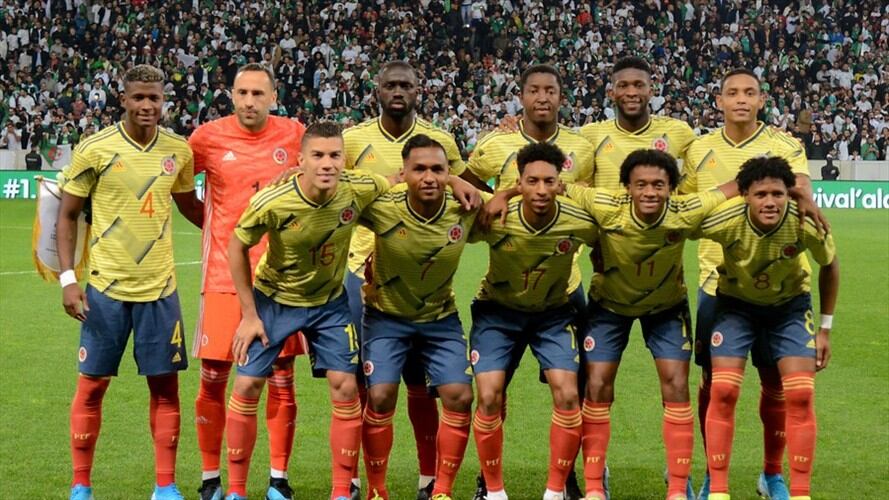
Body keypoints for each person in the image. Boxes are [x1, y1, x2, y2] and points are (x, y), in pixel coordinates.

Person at [223, 122, 478, 500]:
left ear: (345, 159)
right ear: (301, 160)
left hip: (329, 303)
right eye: (317, 156)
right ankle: (237, 491)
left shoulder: (359, 188)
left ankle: (342, 491)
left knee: (345, 388)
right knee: (245, 384)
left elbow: (399, 178)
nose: (326, 164)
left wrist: (455, 181)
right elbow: (236, 246)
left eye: (334, 155)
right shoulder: (273, 201)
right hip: (274, 300)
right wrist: (248, 313)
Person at [56, 64, 204, 500]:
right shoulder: (95, 149)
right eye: (138, 97)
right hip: (104, 289)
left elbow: (190, 207)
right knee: (92, 385)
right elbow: (66, 215)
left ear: (164, 101)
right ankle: (81, 485)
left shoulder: (177, 149)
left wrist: (239, 233)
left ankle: (165, 486)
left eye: (154, 98)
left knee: (164, 386)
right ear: (122, 99)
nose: (146, 105)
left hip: (160, 289)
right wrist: (68, 279)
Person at [679, 68, 825, 500]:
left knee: (777, 385)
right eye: (732, 93)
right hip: (717, 284)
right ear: (719, 101)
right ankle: (713, 475)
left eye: (750, 93)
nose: (741, 99)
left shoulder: (784, 145)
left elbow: (800, 191)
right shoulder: (699, 148)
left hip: (781, 282)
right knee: (715, 386)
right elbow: (687, 203)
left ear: (761, 100)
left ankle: (772, 473)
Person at [563, 149, 739, 500]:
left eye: (659, 184)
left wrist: (798, 194)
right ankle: (595, 487)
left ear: (672, 188)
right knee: (597, 386)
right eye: (640, 184)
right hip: (609, 307)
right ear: (626, 186)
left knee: (676, 385)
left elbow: (733, 187)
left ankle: (676, 489)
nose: (649, 192)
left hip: (666, 307)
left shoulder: (684, 211)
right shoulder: (605, 204)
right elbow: (562, 186)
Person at [464, 62, 594, 500]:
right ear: (520, 96)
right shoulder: (495, 143)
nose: (542, 97)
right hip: (503, 290)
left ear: (561, 97)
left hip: (564, 289)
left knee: (572, 390)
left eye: (550, 90)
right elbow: (465, 188)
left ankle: (570, 480)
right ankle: (490, 483)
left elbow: (595, 202)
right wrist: (499, 193)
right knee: (493, 391)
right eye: (534, 90)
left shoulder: (583, 146)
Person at [342, 60, 467, 500]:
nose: (398, 91)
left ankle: (428, 479)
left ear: (420, 90)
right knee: (364, 386)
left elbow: (460, 194)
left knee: (421, 386)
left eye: (406, 85)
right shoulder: (354, 138)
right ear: (377, 89)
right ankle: (357, 478)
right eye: (391, 84)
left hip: (422, 276)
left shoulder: (441, 142)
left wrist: (461, 180)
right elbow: (338, 190)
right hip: (361, 275)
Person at [188, 62, 307, 500]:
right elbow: (181, 186)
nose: (250, 101)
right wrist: (213, 228)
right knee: (214, 375)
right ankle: (210, 478)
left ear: (273, 97)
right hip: (222, 275)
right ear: (231, 96)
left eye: (259, 94)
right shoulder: (207, 137)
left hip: (281, 280)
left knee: (281, 375)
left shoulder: (294, 133)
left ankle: (278, 478)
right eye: (242, 93)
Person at [693, 156, 838, 500]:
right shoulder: (727, 219)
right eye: (760, 194)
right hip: (735, 306)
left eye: (778, 193)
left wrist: (825, 329)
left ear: (789, 194)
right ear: (745, 196)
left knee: (800, 394)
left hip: (788, 308)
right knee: (723, 390)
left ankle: (795, 489)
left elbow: (830, 265)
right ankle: (718, 490)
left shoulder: (805, 222)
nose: (770, 202)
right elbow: (680, 226)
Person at [359, 134, 479, 500]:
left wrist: (465, 183)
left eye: (438, 170)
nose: (429, 177)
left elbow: (509, 204)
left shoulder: (466, 206)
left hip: (439, 317)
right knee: (379, 396)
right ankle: (377, 491)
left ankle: (441, 491)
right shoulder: (382, 205)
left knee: (459, 395)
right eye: (420, 169)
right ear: (403, 173)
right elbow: (336, 197)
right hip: (385, 316)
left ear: (448, 173)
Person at [579, 56, 696, 190]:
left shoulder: (679, 131)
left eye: (639, 85)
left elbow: (696, 181)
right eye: (623, 86)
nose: (631, 93)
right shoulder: (590, 136)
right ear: (611, 93)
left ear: (650, 92)